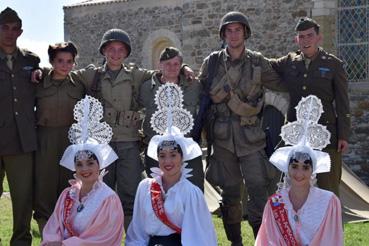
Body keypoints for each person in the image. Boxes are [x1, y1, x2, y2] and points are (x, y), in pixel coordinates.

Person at [70, 29, 194, 229]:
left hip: (128, 142)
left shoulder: (136, 74)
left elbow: (165, 70)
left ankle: (131, 237)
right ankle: (100, 236)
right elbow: (66, 73)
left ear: (126, 53)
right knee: (100, 192)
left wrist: (185, 66)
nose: (116, 54)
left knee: (131, 193)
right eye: (111, 49)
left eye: (120, 50)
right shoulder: (92, 74)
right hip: (102, 145)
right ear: (104, 51)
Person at [196, 11, 285, 244]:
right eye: (229, 30)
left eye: (238, 30)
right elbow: (199, 91)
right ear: (223, 34)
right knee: (231, 192)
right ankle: (236, 243)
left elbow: (282, 81)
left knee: (259, 189)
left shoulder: (258, 61)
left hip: (251, 137)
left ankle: (262, 240)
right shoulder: (212, 62)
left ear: (245, 33)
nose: (233, 35)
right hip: (223, 138)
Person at [126, 83, 217, 246]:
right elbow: (137, 231)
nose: (167, 161)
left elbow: (198, 238)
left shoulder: (191, 193)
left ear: (182, 158)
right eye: (162, 156)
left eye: (173, 155)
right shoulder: (145, 188)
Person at [271, 17, 351, 196]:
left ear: (318, 38)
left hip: (325, 135)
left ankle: (330, 224)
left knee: (327, 188)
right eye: (301, 37)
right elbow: (265, 66)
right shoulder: (289, 62)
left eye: (309, 35)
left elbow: (343, 103)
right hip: (296, 137)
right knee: (292, 188)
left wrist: (343, 135)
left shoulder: (333, 65)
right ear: (296, 40)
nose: (305, 40)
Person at [255, 95, 343, 246]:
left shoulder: (328, 202)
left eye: (305, 167)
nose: (299, 174)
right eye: (294, 166)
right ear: (287, 167)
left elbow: (332, 241)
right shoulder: (275, 204)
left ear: (313, 170)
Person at [42, 95, 124, 246]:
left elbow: (103, 238)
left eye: (90, 163)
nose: (84, 169)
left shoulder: (108, 199)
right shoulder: (67, 194)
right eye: (79, 164)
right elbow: (54, 228)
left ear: (100, 165)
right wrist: (52, 242)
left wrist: (66, 244)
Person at [33, 41, 86, 234]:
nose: (65, 65)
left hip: (70, 138)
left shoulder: (79, 82)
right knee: (44, 183)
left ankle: (67, 228)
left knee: (69, 183)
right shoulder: (39, 80)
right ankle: (46, 229)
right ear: (52, 62)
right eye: (60, 61)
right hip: (45, 137)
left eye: (69, 61)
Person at [0, 7, 40, 245]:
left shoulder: (30, 60)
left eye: (15, 29)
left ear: (20, 32)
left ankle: (21, 241)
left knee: (22, 198)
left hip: (21, 140)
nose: (9, 33)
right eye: (4, 27)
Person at [139, 46, 204, 191]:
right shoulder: (146, 88)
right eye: (167, 64)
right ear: (159, 65)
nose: (172, 68)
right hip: (156, 150)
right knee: (157, 193)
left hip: (187, 149)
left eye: (176, 64)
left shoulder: (193, 85)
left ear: (181, 66)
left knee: (193, 190)